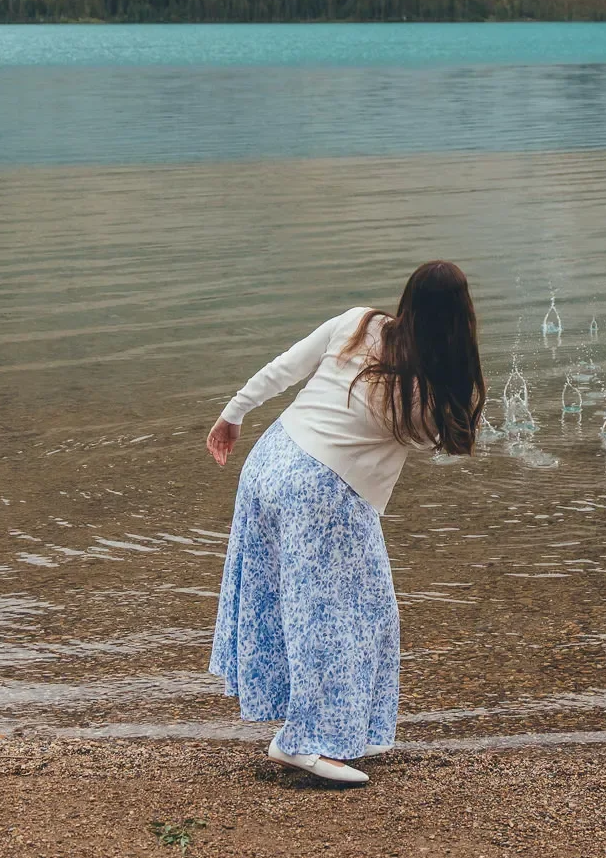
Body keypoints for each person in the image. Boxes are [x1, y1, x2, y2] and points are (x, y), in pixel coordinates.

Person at [206, 260, 485, 784]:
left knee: (310, 604)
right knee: (334, 618)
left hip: (270, 461)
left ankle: (351, 729)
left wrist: (233, 413)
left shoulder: (359, 322)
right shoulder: (425, 391)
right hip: (323, 492)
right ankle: (303, 742)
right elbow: (445, 438)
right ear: (461, 320)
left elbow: (286, 367)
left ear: (407, 300)